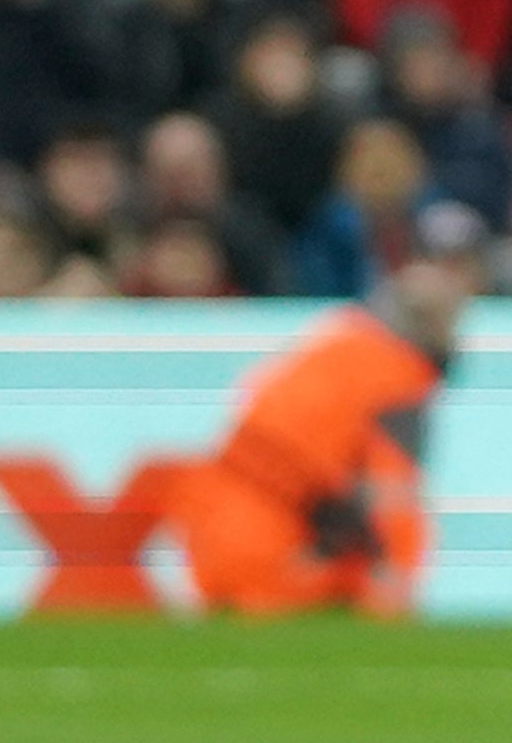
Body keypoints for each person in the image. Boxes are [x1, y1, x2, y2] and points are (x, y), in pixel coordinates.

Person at [160, 221, 479, 616]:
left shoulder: (337, 343)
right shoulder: (399, 377)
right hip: (274, 542)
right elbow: (393, 496)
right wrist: (398, 586)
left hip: (216, 520)